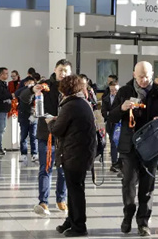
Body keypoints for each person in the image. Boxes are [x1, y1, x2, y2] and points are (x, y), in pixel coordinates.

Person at [107, 61, 158, 237]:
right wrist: (122, 107)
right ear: (134, 74)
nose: (144, 80)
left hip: (151, 145)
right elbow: (111, 117)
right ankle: (128, 214)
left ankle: (143, 222)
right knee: (128, 182)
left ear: (152, 75)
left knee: (147, 185)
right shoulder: (124, 91)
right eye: (140, 76)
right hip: (129, 146)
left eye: (147, 77)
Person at [47, 75, 97, 237]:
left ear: (64, 89)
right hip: (82, 152)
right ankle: (71, 220)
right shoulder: (82, 103)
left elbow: (57, 130)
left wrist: (50, 122)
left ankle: (79, 226)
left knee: (76, 191)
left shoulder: (71, 105)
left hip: (74, 154)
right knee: (74, 189)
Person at [19, 60, 71, 217]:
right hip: (46, 133)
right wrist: (32, 90)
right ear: (55, 70)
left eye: (66, 70)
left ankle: (61, 199)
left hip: (65, 135)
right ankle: (43, 202)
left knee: (64, 169)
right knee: (45, 168)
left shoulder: (72, 87)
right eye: (60, 70)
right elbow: (23, 97)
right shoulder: (45, 85)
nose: (63, 73)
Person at [15, 73, 40, 164]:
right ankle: (23, 154)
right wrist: (26, 88)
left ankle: (34, 153)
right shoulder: (22, 91)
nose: (31, 84)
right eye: (29, 82)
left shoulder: (36, 92)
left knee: (33, 136)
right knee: (23, 136)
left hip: (33, 116)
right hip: (23, 116)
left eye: (32, 83)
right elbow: (17, 94)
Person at [101, 79, 121, 173]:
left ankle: (120, 163)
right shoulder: (106, 99)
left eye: (116, 90)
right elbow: (104, 111)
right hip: (111, 123)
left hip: (120, 123)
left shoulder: (121, 99)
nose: (114, 92)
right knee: (113, 143)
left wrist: (111, 113)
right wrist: (109, 114)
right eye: (112, 90)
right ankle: (114, 163)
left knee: (120, 143)